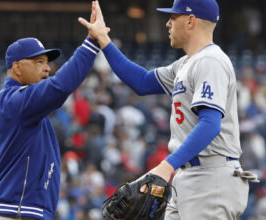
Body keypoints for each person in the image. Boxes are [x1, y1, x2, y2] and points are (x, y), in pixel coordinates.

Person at [79, 0, 251, 219]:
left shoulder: (211, 60)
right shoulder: (185, 64)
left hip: (211, 176)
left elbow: (210, 124)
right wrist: (103, 39)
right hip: (189, 175)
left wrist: (165, 167)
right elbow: (141, 82)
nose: (168, 24)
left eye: (173, 17)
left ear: (191, 21)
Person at [0, 11, 102, 219]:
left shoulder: (22, 105)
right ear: (17, 67)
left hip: (18, 210)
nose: (47, 68)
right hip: (15, 211)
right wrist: (91, 43)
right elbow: (61, 86)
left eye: (47, 62)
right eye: (38, 62)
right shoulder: (16, 101)